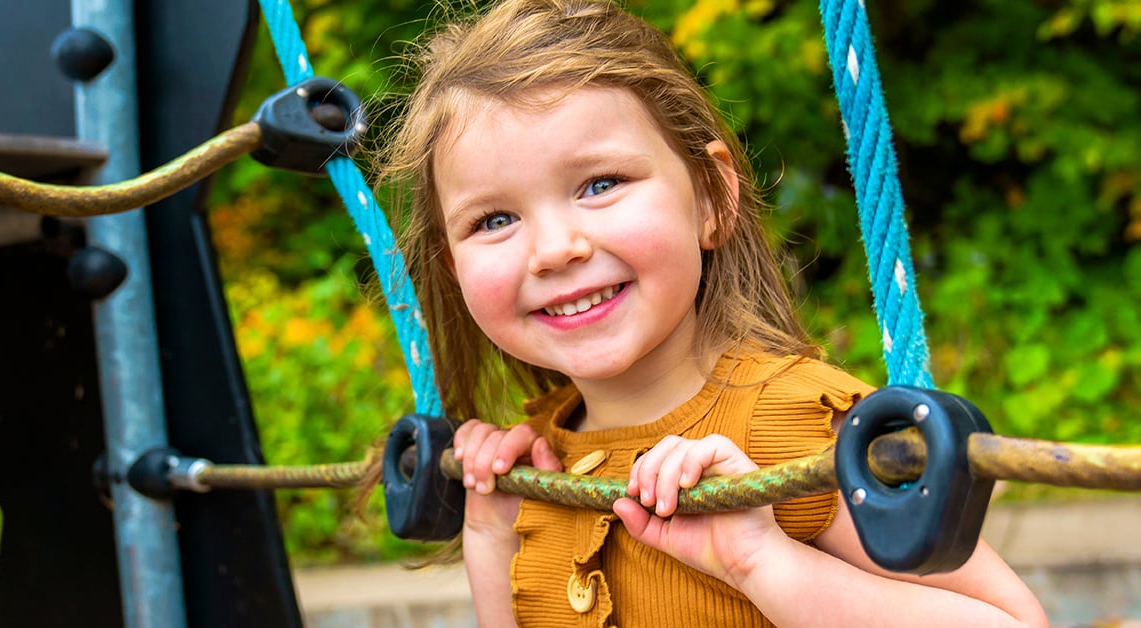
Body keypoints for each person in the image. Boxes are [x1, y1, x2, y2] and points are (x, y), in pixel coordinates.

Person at [375, 0, 1049, 625]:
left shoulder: (793, 427)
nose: (554, 250)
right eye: (494, 219)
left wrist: (761, 562)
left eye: (600, 184)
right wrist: (493, 532)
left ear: (711, 198)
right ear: (450, 268)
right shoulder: (540, 463)